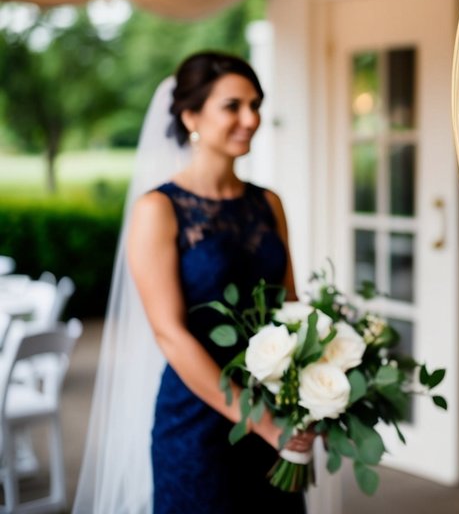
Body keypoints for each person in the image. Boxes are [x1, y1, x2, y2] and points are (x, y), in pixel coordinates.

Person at [73, 52, 313, 514]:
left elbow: (291, 306)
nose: (251, 118)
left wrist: (313, 394)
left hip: (274, 409)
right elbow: (170, 333)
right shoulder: (158, 210)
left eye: (256, 104)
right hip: (198, 419)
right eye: (233, 106)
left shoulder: (269, 204)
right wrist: (260, 421)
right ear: (190, 116)